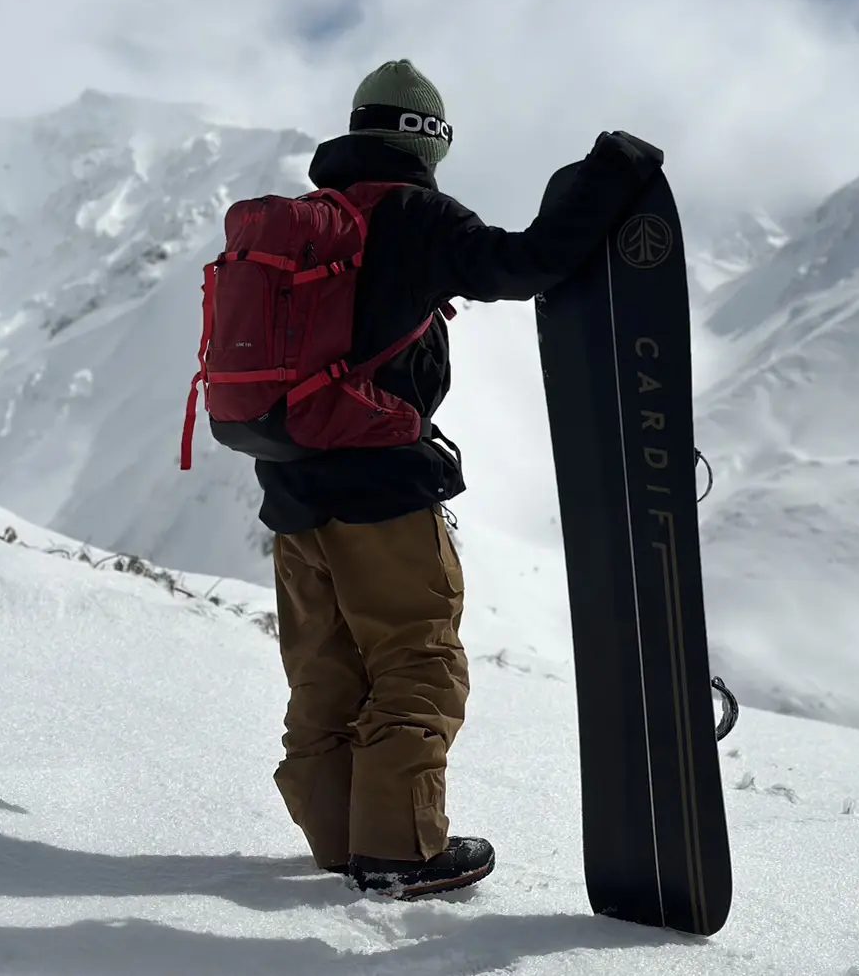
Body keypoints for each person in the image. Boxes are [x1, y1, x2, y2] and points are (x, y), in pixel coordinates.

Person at [258, 59, 660, 898]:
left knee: (325, 667)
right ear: (430, 141)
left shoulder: (303, 222)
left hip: (292, 487)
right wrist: (612, 173)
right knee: (416, 658)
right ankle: (399, 850)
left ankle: (340, 839)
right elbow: (527, 264)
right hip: (381, 488)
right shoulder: (413, 214)